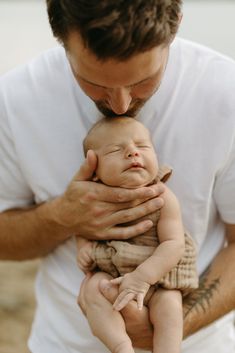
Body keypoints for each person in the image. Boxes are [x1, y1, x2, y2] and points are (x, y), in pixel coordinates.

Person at [0, 1, 234, 352]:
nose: (121, 105)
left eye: (142, 81)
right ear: (60, 37)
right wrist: (62, 217)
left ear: (176, 28)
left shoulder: (225, 93)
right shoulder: (15, 99)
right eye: (94, 83)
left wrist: (165, 327)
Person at [76, 116, 198, 353]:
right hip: (112, 275)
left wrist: (142, 278)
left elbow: (174, 244)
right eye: (115, 150)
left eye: (142, 146)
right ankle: (121, 347)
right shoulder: (92, 198)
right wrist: (82, 247)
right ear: (95, 171)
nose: (133, 153)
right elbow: (81, 226)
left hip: (157, 279)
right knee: (93, 289)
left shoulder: (162, 196)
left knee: (171, 305)